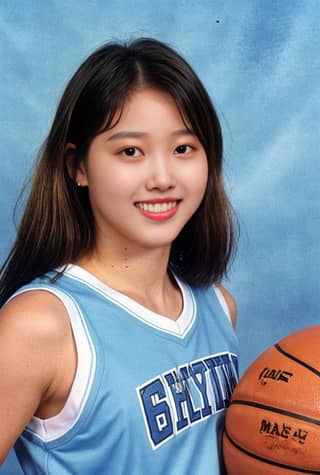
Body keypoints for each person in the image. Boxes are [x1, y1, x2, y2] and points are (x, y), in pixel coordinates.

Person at [0, 38, 239, 475]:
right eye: (131, 151)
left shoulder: (219, 307)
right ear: (78, 167)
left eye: (184, 148)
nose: (163, 178)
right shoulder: (42, 324)